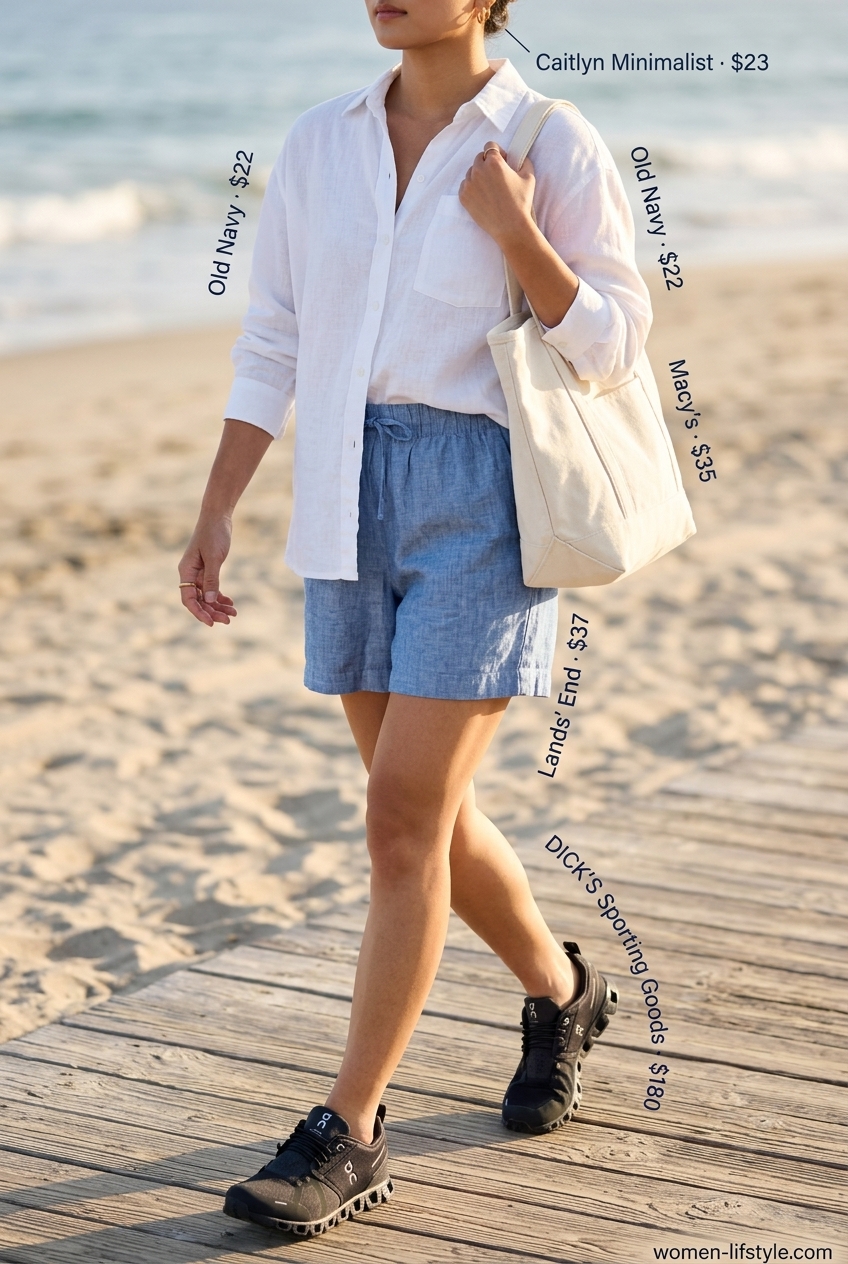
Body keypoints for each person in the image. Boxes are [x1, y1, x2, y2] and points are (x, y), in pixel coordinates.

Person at [178, 0, 650, 1239]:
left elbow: (611, 344)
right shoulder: (318, 142)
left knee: (398, 819)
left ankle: (350, 1131)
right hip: (341, 494)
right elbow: (273, 336)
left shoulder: (546, 138)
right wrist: (217, 507)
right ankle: (562, 989)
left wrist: (517, 234)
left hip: (481, 501)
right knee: (424, 814)